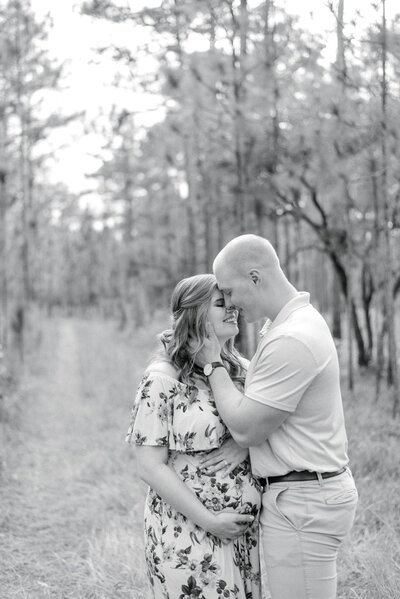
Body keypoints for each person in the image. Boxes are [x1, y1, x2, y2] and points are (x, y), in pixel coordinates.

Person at [196, 234, 358, 599]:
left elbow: (246, 427)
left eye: (230, 291)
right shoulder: (288, 325)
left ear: (255, 277)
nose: (230, 304)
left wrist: (212, 363)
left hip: (303, 504)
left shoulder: (292, 338)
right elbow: (273, 413)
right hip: (304, 497)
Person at [125, 274, 261, 599]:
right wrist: (211, 521)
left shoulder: (243, 368)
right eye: (220, 304)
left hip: (243, 535)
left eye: (232, 303)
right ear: (194, 314)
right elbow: (149, 467)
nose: (233, 310)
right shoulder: (161, 379)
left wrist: (244, 442)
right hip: (186, 530)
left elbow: (270, 426)